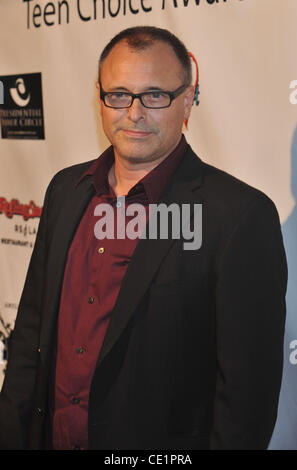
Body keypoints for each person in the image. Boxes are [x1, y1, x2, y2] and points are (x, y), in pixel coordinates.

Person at [0, 26, 287, 450]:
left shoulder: (239, 218)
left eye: (155, 95)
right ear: (99, 96)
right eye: (119, 94)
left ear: (187, 100)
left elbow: (245, 404)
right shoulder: (65, 190)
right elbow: (29, 340)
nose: (133, 113)